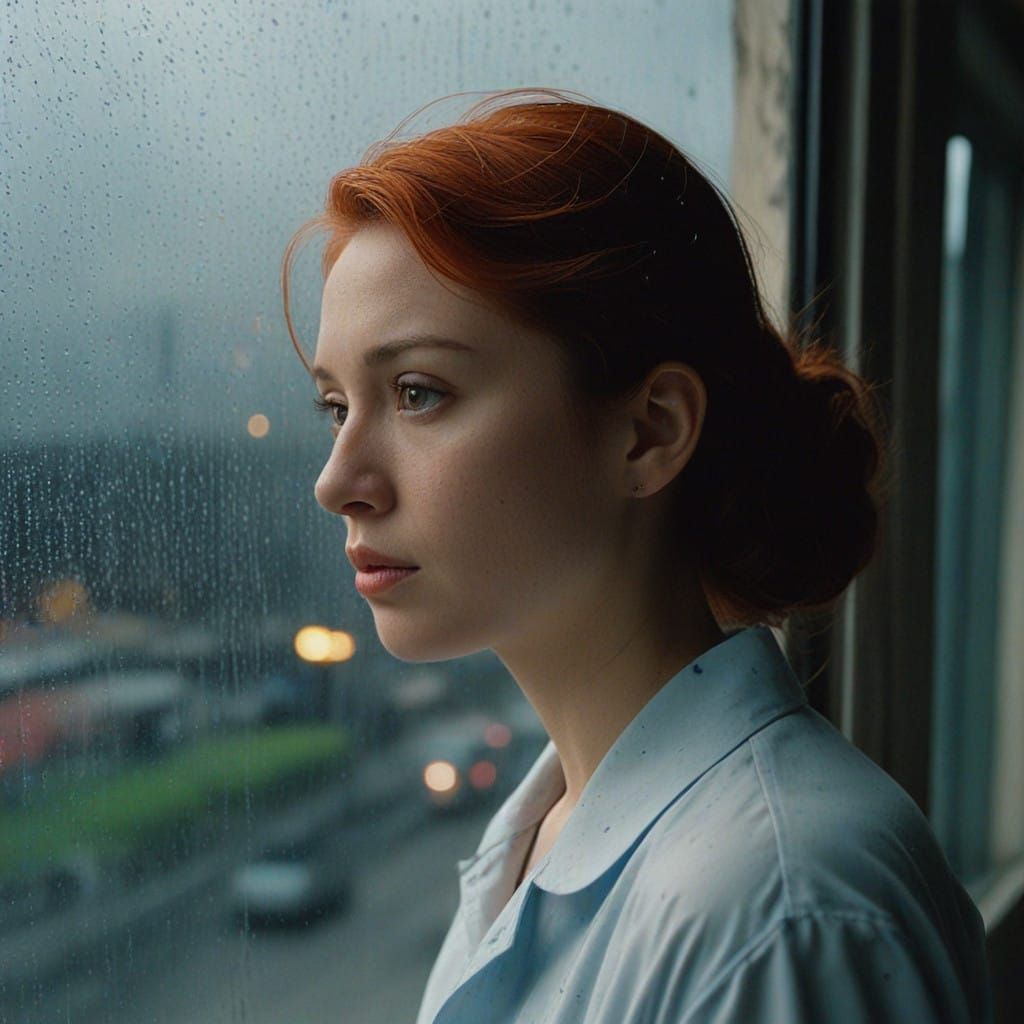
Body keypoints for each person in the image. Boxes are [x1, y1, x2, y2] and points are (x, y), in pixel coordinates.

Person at [282, 88, 992, 1023]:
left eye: (417, 392)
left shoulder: (779, 914)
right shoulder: (550, 834)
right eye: (337, 407)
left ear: (649, 432)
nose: (339, 481)